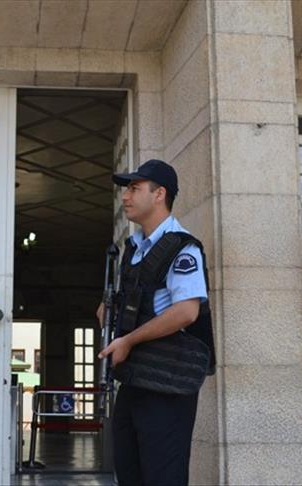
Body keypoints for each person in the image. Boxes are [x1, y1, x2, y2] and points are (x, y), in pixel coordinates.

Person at [96, 159, 214, 486]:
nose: (125, 196)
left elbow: (186, 311)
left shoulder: (182, 247)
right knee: (129, 475)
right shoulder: (133, 249)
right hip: (135, 380)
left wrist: (129, 340)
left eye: (134, 188)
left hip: (167, 383)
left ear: (159, 194)